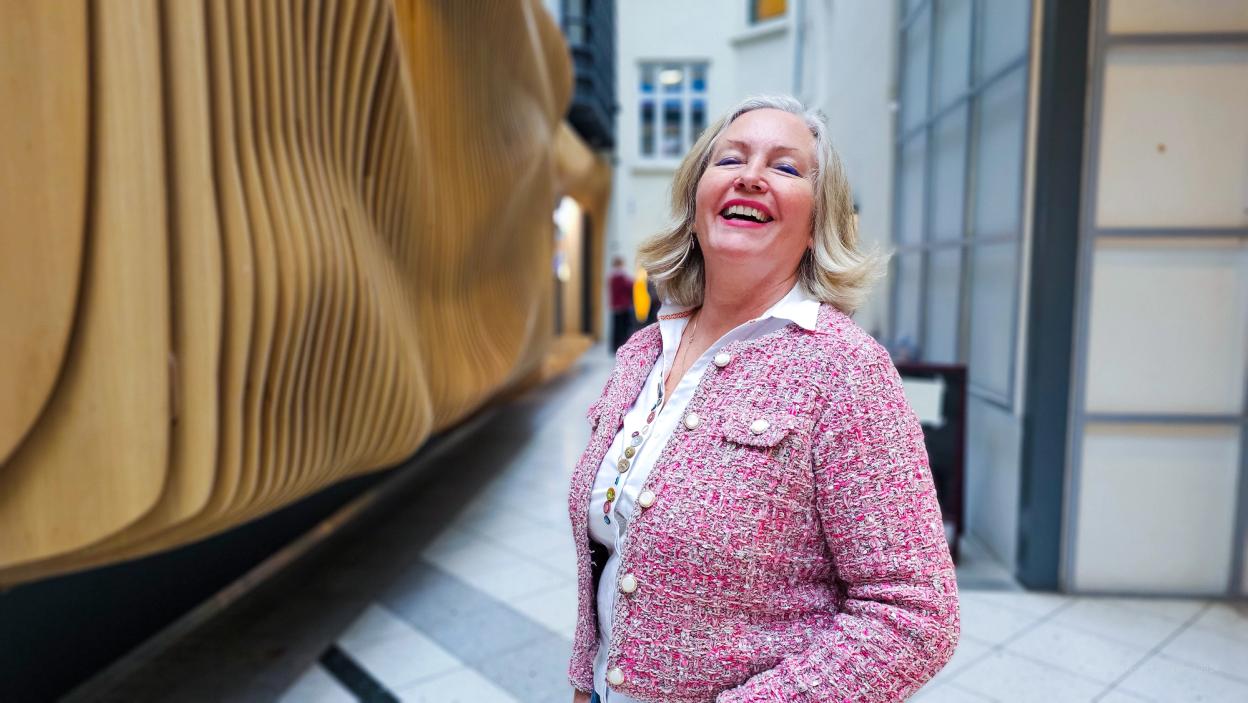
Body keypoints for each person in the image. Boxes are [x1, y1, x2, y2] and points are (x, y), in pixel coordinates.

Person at [566, 96, 959, 703]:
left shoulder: (845, 370)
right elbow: (610, 555)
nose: (751, 176)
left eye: (785, 167)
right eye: (731, 159)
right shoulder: (643, 353)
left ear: (815, 223)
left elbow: (913, 617)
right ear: (698, 199)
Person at [608, 256, 635, 354]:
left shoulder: (611, 276)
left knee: (616, 328)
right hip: (624, 305)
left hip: (615, 306)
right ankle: (621, 347)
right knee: (623, 329)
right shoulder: (621, 276)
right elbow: (630, 286)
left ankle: (614, 347)